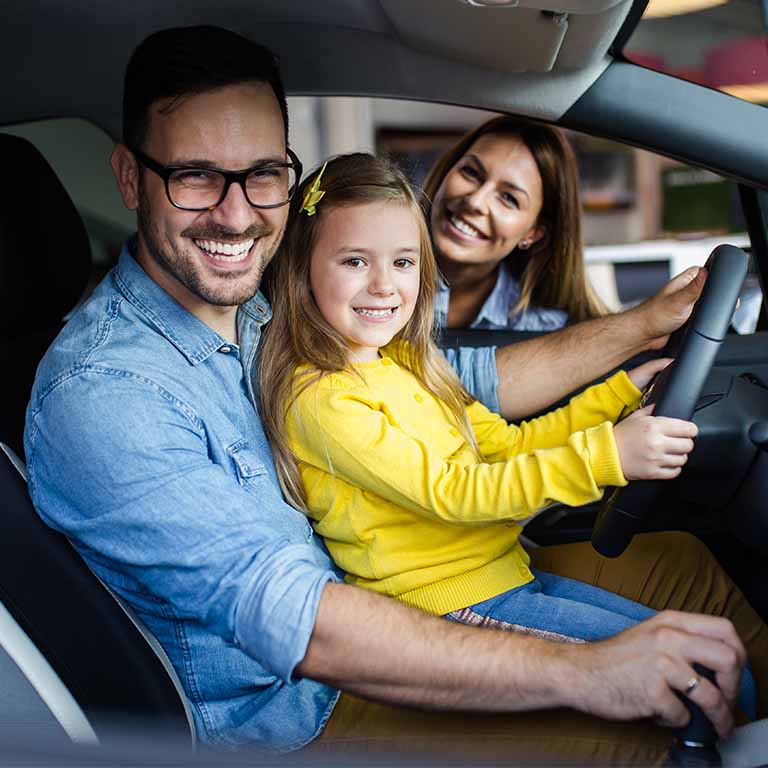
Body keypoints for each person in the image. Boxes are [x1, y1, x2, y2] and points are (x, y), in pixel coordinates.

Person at [23, 24, 766, 764]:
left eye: (263, 174)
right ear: (130, 178)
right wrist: (589, 671)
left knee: (688, 567)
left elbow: (459, 389)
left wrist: (640, 328)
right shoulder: (104, 396)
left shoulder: (264, 307)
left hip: (408, 591)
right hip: (307, 710)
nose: (238, 211)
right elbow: (301, 622)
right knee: (667, 723)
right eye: (195, 175)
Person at [259, 152, 756, 712]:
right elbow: (459, 493)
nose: (383, 286)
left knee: (712, 654)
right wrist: (606, 456)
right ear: (302, 267)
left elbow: (507, 446)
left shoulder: (404, 363)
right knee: (702, 678)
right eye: (354, 261)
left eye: (402, 262)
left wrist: (617, 395)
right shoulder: (321, 395)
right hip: (445, 612)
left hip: (502, 579)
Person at [423, 116, 604, 332]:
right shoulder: (377, 282)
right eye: (471, 172)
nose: (475, 202)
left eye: (509, 198)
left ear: (534, 233)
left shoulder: (545, 331)